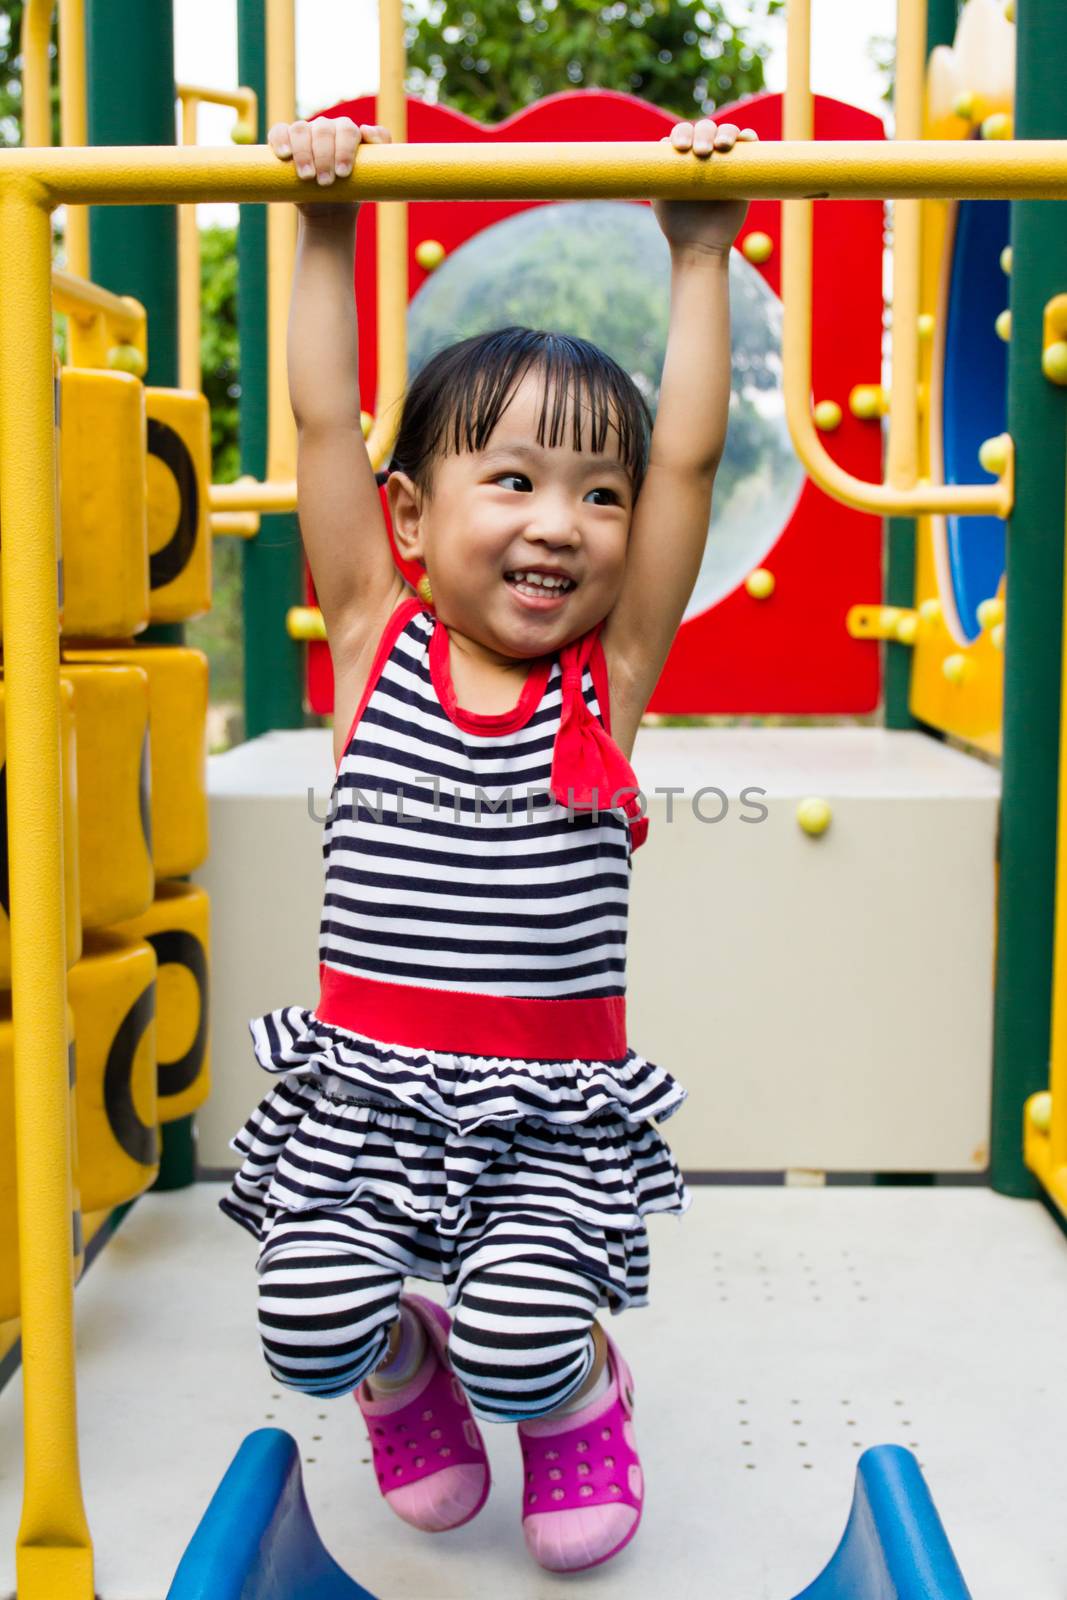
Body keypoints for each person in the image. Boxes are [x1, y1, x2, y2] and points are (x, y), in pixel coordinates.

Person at [221, 109, 756, 1575]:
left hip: (549, 1120)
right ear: (410, 514)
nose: (561, 525)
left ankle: (575, 1397)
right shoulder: (368, 637)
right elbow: (328, 422)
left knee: (525, 1335)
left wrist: (700, 253)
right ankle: (410, 1376)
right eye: (511, 482)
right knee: (307, 1318)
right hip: (368, 1098)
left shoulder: (609, 676)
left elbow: (693, 466)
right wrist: (323, 226)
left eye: (597, 494)